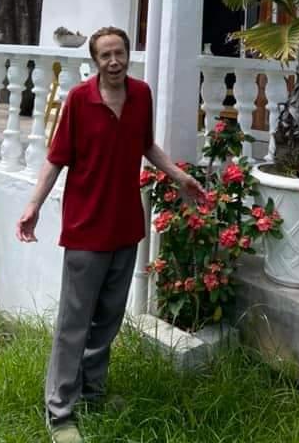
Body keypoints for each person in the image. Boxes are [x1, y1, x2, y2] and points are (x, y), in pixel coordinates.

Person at [16, 25, 203, 443]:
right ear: (96, 61)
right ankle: (60, 411)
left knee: (109, 320)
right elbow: (56, 158)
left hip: (126, 226)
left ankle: (93, 393)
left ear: (128, 54)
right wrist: (34, 205)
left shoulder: (141, 95)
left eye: (120, 53)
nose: (114, 61)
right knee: (73, 323)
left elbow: (145, 145)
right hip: (86, 227)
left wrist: (176, 176)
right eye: (106, 56)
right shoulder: (80, 101)